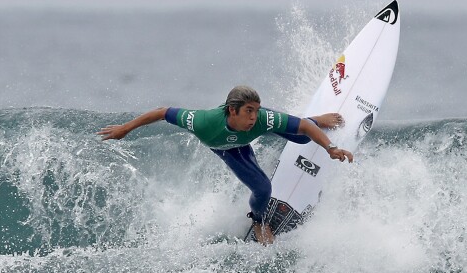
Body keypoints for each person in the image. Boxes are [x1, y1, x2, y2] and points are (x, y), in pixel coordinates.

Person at [97, 85, 353, 244]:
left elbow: (303, 126)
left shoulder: (262, 119)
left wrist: (330, 147)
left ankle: (320, 118)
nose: (254, 116)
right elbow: (163, 112)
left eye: (257, 109)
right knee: (263, 189)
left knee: (301, 134)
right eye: (249, 111)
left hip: (251, 136)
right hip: (228, 148)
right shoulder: (203, 122)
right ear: (232, 110)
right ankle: (258, 220)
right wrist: (126, 128)